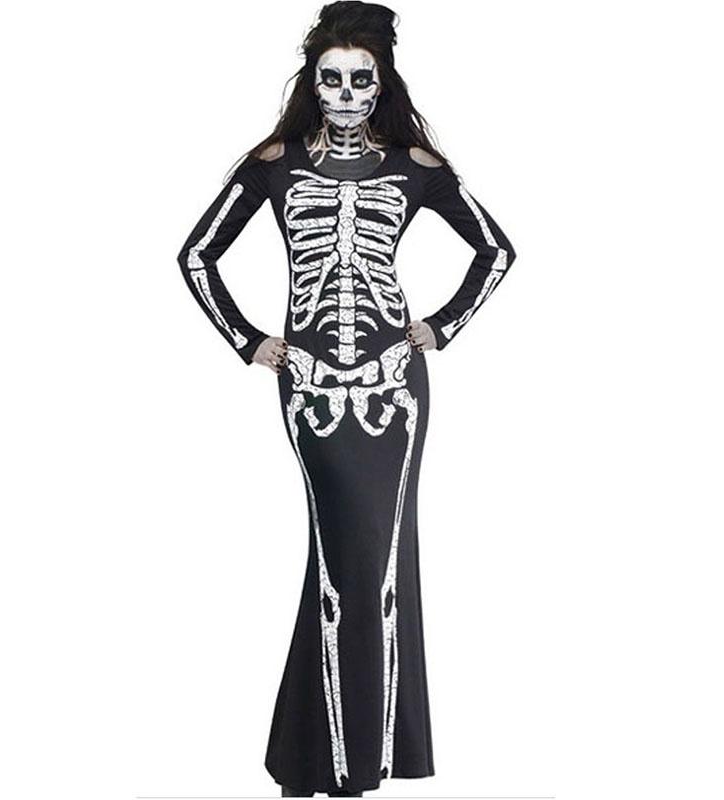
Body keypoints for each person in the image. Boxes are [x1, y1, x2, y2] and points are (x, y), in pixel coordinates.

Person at [176, 2, 517, 795]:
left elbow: (496, 250)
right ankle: (338, 761)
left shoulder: (414, 167)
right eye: (332, 80)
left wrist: (439, 327)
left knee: (379, 564)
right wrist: (250, 341)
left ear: (381, 84)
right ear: (313, 83)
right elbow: (196, 256)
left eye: (362, 80)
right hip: (312, 389)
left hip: (394, 389)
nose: (347, 94)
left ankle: (332, 761)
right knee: (345, 564)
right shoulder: (276, 164)